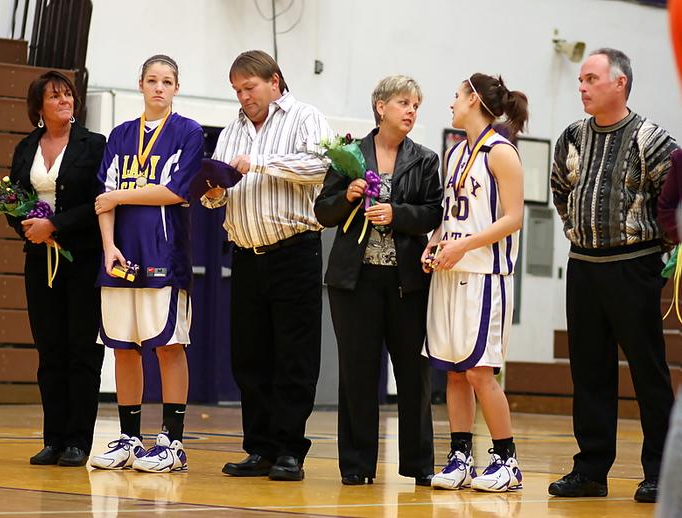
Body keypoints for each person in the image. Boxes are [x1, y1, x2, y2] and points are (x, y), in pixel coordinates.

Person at [549, 48, 677, 503]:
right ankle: (590, 470)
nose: (581, 87)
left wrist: (658, 247)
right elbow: (560, 191)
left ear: (619, 83)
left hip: (634, 266)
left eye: (590, 79)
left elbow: (673, 200)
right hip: (583, 266)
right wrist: (581, 228)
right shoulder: (572, 136)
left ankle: (661, 472)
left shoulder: (652, 139)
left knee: (648, 371)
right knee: (588, 371)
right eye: (581, 80)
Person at [201, 50, 333, 481]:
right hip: (245, 255)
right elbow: (219, 191)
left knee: (293, 356)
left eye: (249, 87)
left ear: (274, 81)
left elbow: (321, 167)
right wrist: (213, 194)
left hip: (294, 252)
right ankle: (259, 448)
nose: (243, 97)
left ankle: (290, 450)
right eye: (237, 90)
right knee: (249, 357)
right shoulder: (231, 130)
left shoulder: (305, 117)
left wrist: (259, 163)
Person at [314, 75, 441, 486]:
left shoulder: (424, 160)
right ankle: (356, 464)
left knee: (413, 373)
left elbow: (433, 212)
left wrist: (396, 214)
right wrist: (347, 196)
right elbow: (323, 212)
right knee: (358, 373)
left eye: (416, 105)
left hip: (408, 283)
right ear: (381, 106)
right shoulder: (349, 154)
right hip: (355, 282)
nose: (411, 111)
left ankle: (419, 465)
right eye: (404, 103)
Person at [89, 54, 204, 473]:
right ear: (140, 84)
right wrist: (108, 247)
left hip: (164, 255)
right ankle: (129, 439)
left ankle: (173, 443)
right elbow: (103, 199)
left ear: (176, 88)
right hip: (121, 257)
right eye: (152, 80)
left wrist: (121, 195)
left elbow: (175, 191)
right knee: (123, 347)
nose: (159, 87)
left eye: (167, 81)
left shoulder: (188, 132)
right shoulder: (120, 135)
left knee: (169, 345)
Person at [423, 73, 528, 493]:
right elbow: (450, 214)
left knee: (480, 372)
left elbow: (514, 218)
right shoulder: (454, 152)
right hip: (450, 271)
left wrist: (464, 245)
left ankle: (507, 460)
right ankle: (461, 457)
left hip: (486, 275)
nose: (451, 102)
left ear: (473, 100)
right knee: (453, 372)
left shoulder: (501, 152)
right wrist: (434, 242)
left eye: (456, 95)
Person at [5, 71, 106, 467]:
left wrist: (56, 225)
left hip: (82, 260)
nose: (65, 101)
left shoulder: (93, 145)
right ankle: (54, 439)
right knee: (49, 350)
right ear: (39, 107)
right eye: (55, 96)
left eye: (68, 95)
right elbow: (12, 198)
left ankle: (78, 440)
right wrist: (28, 228)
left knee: (82, 350)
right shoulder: (26, 146)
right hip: (39, 260)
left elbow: (100, 202)